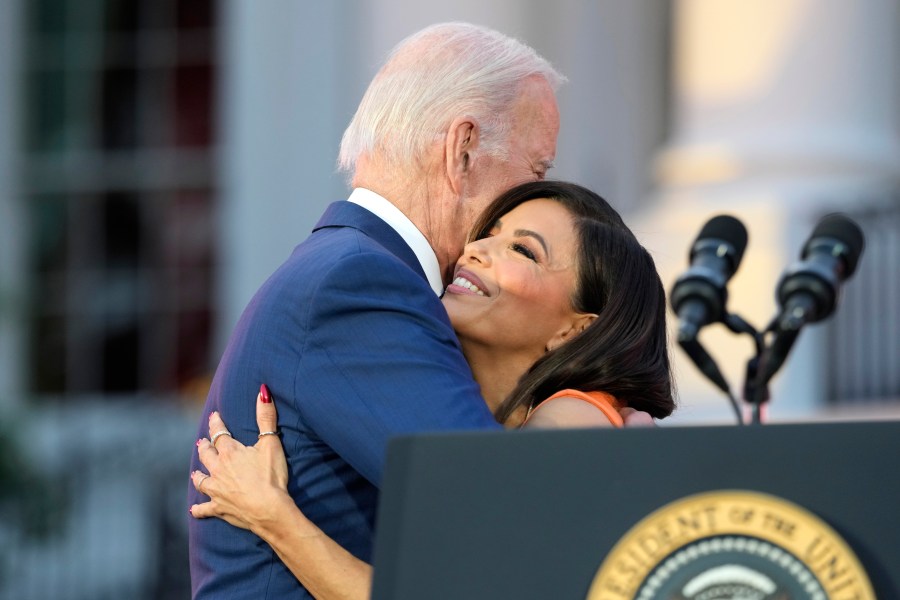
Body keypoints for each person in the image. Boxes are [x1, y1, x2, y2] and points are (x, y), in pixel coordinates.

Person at [188, 21, 571, 599]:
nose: (536, 199)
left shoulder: (351, 271)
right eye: (536, 172)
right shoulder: (360, 285)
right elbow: (498, 512)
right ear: (462, 150)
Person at [190, 180, 675, 599]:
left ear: (573, 333)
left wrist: (273, 516)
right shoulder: (491, 423)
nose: (477, 249)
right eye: (490, 232)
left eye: (523, 250)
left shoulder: (575, 419)